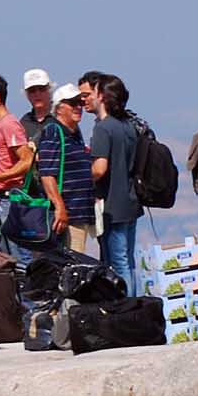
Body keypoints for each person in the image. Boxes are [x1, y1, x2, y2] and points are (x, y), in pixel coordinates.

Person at [87, 76, 144, 295]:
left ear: (101, 96)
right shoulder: (128, 125)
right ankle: (133, 305)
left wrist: (85, 177)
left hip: (112, 204)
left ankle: (126, 311)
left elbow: (100, 168)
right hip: (130, 201)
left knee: (118, 263)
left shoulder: (104, 128)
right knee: (128, 261)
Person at [0, 73, 38, 259]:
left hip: (9, 200)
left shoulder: (9, 125)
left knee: (18, 256)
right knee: (2, 255)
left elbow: (26, 161)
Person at [36, 84, 95, 254]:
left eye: (80, 103)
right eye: (72, 103)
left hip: (79, 213)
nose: (78, 107)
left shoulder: (74, 133)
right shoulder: (54, 131)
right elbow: (47, 173)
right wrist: (60, 207)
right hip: (66, 216)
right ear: (59, 108)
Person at [19, 69, 55, 146]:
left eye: (41, 89)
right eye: (32, 91)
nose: (37, 94)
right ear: (27, 95)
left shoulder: (61, 117)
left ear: (50, 90)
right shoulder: (24, 123)